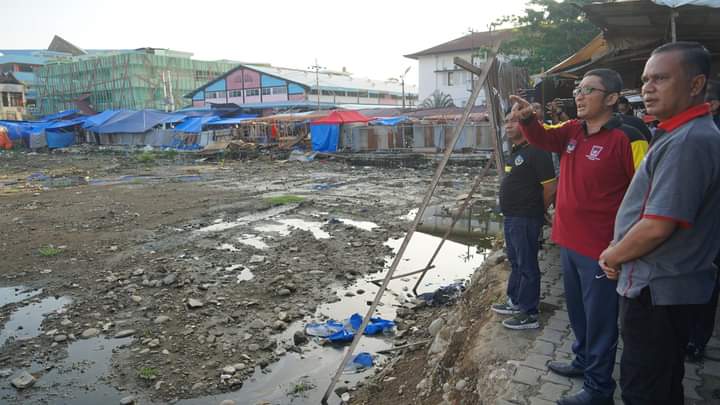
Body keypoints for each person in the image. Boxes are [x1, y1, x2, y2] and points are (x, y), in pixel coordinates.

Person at [510, 68, 648, 405]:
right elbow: (542, 137)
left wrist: (624, 246)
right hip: (568, 242)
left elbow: (646, 195)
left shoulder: (629, 137)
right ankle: (583, 361)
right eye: (578, 89)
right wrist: (528, 120)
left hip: (601, 249)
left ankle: (599, 388)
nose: (579, 95)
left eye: (589, 90)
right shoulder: (572, 130)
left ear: (612, 98)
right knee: (578, 313)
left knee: (601, 320)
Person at [599, 42, 720, 405]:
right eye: (646, 79)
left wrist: (613, 255)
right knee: (663, 382)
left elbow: (657, 225)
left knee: (643, 389)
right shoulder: (679, 134)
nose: (648, 88)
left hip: (658, 291)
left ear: (696, 84)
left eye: (661, 78)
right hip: (664, 290)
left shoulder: (689, 141)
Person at [491, 112, 557, 330]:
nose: (507, 125)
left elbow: (550, 186)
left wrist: (539, 209)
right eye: (506, 121)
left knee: (527, 264)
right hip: (512, 217)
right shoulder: (517, 151)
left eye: (513, 121)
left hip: (525, 217)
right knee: (516, 261)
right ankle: (515, 301)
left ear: (527, 125)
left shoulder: (538, 151)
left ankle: (529, 313)